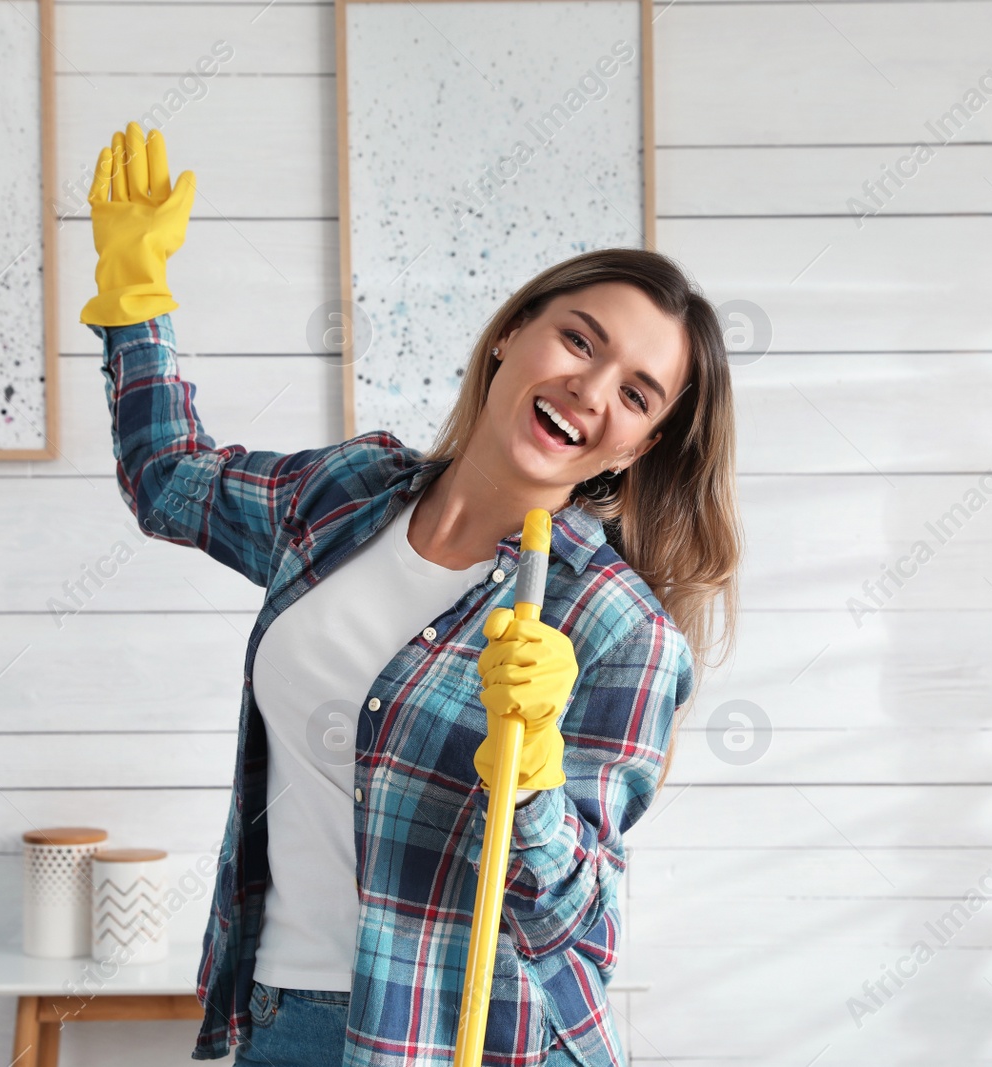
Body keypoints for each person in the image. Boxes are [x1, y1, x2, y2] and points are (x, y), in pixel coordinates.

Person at [79, 121, 741, 1066]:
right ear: (514, 332)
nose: (592, 390)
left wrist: (537, 769)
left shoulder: (617, 627)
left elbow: (573, 922)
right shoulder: (347, 496)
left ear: (637, 448)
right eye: (579, 340)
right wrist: (134, 294)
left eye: (637, 395)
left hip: (472, 1044)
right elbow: (170, 481)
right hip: (281, 1016)